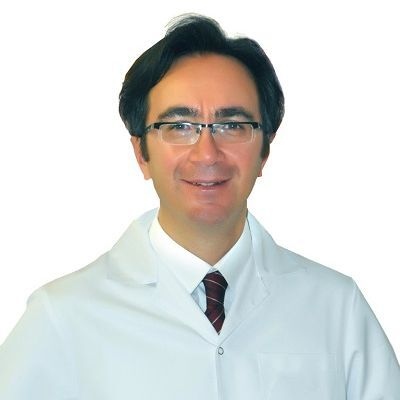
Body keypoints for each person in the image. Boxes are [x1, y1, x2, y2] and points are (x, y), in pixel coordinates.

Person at [0, 14, 399, 400]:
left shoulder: (337, 308)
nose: (207, 153)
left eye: (233, 126)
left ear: (265, 151)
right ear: (141, 152)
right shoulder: (63, 317)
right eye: (179, 126)